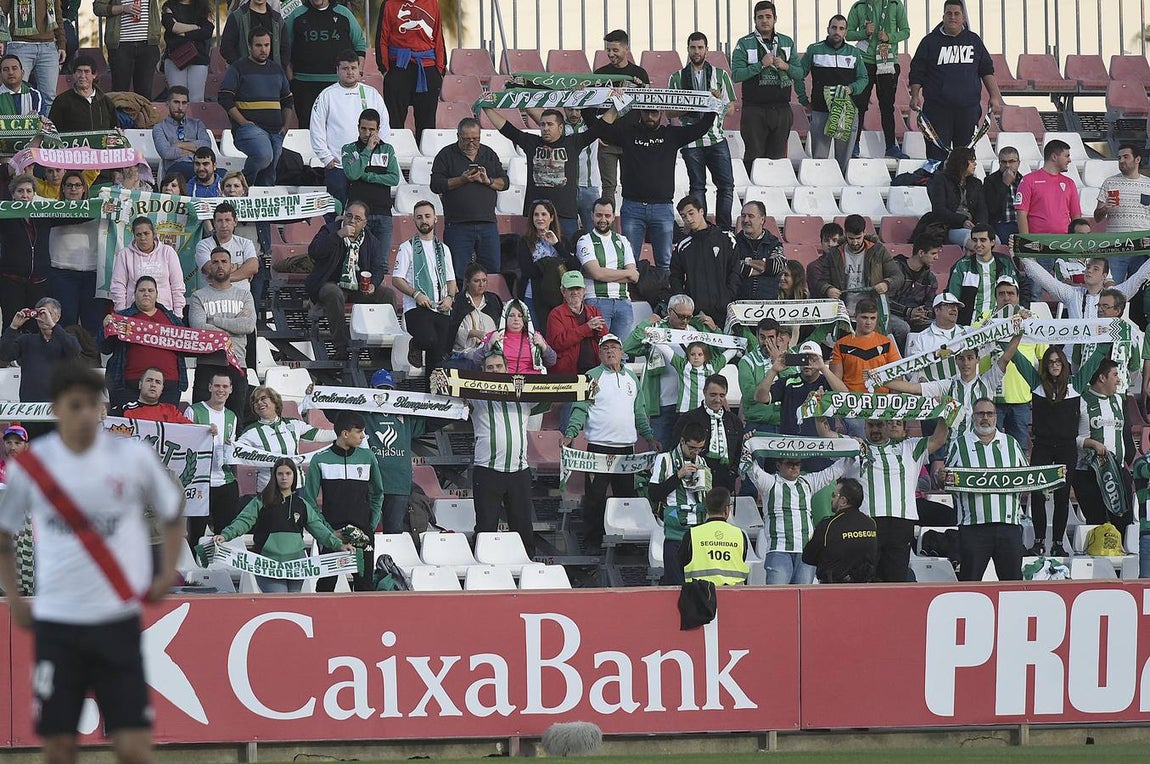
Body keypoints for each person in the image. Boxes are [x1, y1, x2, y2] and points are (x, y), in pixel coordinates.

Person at [0, 362, 183, 764]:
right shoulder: (32, 466)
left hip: (115, 618)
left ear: (103, 409)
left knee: (134, 745)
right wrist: (14, 597)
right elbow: (5, 533)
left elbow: (173, 508)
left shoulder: (131, 457)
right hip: (58, 621)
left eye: (91, 405)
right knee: (58, 746)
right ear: (58, 408)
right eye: (74, 404)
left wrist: (166, 571)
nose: (84, 413)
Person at [585, 101, 717, 274]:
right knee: (629, 261)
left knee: (665, 262)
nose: (650, 116)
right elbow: (598, 128)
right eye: (646, 112)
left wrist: (712, 105)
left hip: (662, 208)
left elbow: (701, 128)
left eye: (654, 112)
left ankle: (666, 298)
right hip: (633, 207)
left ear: (661, 112)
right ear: (640, 111)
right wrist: (586, 102)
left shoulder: (671, 134)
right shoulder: (627, 132)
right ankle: (631, 298)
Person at [563, 333, 655, 549]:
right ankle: (592, 542)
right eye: (605, 348)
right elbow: (580, 408)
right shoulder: (591, 377)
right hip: (599, 449)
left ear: (622, 353)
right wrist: (571, 432)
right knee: (595, 498)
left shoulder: (632, 378)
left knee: (627, 498)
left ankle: (627, 542)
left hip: (626, 450)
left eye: (614, 347)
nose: (610, 351)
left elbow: (639, 411)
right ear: (599, 352)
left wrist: (649, 436)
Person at [831, 415, 948, 581]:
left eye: (879, 425)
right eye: (871, 425)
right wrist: (820, 411)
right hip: (866, 521)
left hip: (901, 523)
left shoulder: (909, 447)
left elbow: (939, 439)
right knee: (864, 577)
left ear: (888, 425)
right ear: (864, 426)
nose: (875, 430)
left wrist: (944, 415)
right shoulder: (855, 447)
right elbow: (826, 433)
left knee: (896, 578)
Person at [216, 458, 349, 593]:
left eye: (288, 473)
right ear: (274, 476)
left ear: (294, 476)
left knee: (293, 605)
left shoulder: (302, 504)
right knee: (279, 599)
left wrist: (339, 545)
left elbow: (319, 530)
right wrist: (225, 535)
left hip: (297, 564)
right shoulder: (262, 501)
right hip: (268, 563)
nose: (284, 477)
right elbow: (243, 521)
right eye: (280, 474)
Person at [741, 421, 849, 585]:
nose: (794, 467)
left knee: (805, 600)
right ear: (778, 465)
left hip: (806, 552)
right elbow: (750, 467)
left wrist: (854, 450)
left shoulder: (808, 482)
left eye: (797, 464)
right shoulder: (769, 483)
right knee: (778, 600)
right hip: (779, 550)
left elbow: (834, 471)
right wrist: (747, 444)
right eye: (789, 464)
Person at [884, 324, 1023, 440]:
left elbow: (1005, 358)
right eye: (961, 359)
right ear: (956, 361)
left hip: (984, 444)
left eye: (970, 358)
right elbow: (913, 388)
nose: (966, 363)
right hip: (955, 447)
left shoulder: (988, 381)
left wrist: (1019, 332)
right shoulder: (948, 385)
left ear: (977, 359)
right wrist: (881, 380)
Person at [944, 397, 1029, 581]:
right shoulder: (960, 444)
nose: (985, 418)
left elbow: (1026, 478)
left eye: (989, 414)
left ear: (996, 417)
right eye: (980, 413)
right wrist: (941, 477)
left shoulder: (1011, 443)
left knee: (1013, 583)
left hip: (1009, 526)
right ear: (973, 417)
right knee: (970, 582)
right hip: (973, 527)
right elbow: (947, 481)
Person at [482, 103, 595, 241]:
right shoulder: (532, 142)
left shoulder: (573, 142)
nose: (545, 128)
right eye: (542, 125)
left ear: (560, 127)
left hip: (565, 215)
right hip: (537, 215)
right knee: (535, 256)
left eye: (549, 124)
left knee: (569, 256)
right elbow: (507, 129)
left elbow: (600, 129)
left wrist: (616, 104)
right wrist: (486, 107)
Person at [908, 0, 1003, 162]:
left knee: (965, 159)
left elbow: (987, 70)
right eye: (949, 13)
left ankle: (964, 188)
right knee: (937, 159)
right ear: (943, 16)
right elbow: (917, 72)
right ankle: (938, 186)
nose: (953, 17)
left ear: (963, 18)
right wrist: (915, 95)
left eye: (957, 13)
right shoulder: (929, 42)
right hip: (937, 111)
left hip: (968, 110)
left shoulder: (974, 40)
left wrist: (995, 96)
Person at [299, 410, 382, 591]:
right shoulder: (320, 460)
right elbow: (310, 501)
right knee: (326, 587)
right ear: (345, 433)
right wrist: (327, 532)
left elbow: (378, 493)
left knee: (365, 586)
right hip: (332, 535)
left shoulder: (368, 457)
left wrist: (370, 524)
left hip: (363, 535)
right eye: (359, 432)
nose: (363, 436)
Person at [622, 294, 719, 447]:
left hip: (692, 405)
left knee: (691, 453)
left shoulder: (697, 331)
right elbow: (628, 348)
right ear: (669, 311)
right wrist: (645, 324)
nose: (685, 321)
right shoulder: (655, 329)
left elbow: (717, 356)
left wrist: (715, 330)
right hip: (663, 403)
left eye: (688, 317)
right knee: (660, 452)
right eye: (681, 316)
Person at [305, 200, 392, 367]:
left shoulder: (370, 239)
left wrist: (373, 283)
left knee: (388, 295)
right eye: (349, 216)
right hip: (329, 282)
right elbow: (314, 251)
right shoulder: (330, 230)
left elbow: (379, 267)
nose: (352, 221)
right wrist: (338, 236)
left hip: (357, 286)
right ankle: (341, 348)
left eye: (357, 218)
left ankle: (382, 350)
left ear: (365, 223)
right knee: (333, 293)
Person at [469, 352, 540, 556]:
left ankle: (527, 570)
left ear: (507, 369)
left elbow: (552, 395)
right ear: (483, 371)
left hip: (519, 470)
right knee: (485, 527)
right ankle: (483, 572)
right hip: (488, 470)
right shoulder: (475, 395)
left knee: (523, 527)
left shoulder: (522, 395)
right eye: (490, 368)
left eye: (499, 366)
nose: (495, 371)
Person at [1011, 346, 1079, 556]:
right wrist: (1008, 333)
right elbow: (1017, 357)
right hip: (1043, 446)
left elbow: (1096, 358)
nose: (1055, 365)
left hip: (1067, 448)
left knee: (1061, 496)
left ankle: (1058, 543)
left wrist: (1109, 331)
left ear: (1065, 364)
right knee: (1038, 495)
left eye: (1058, 361)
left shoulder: (1076, 384)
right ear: (1045, 365)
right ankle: (1039, 541)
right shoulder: (1036, 384)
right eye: (1050, 362)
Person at [668, 32, 737, 230]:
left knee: (726, 186)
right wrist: (690, 106)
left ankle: (724, 230)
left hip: (716, 138)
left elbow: (730, 109)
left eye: (700, 47)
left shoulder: (721, 75)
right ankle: (702, 229)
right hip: (690, 141)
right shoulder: (677, 77)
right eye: (693, 47)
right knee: (697, 187)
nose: (696, 51)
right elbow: (669, 113)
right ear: (688, 49)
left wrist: (714, 103)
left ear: (707, 49)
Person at [429, 117, 508, 277]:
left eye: (475, 139)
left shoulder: (488, 153)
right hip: (457, 225)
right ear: (458, 136)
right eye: (466, 139)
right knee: (457, 274)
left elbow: (505, 182)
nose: (471, 143)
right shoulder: (446, 154)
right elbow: (436, 185)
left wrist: (488, 181)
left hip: (488, 224)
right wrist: (461, 180)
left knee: (492, 272)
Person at [358, 369, 431, 534]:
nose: (385, 393)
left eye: (388, 389)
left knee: (394, 532)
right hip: (369, 483)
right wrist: (317, 395)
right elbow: (338, 416)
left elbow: (431, 421)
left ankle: (392, 560)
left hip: (399, 483)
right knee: (365, 530)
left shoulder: (406, 414)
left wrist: (457, 407)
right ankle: (368, 560)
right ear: (371, 389)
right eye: (379, 388)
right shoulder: (362, 413)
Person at [218, 28, 293, 187]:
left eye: (267, 45)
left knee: (269, 175)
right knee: (264, 156)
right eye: (258, 45)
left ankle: (258, 202)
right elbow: (225, 98)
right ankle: (240, 185)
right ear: (250, 46)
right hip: (249, 129)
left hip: (276, 130)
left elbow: (287, 100)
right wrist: (243, 121)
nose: (263, 49)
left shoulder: (277, 69)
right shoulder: (238, 68)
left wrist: (286, 126)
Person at [312, 52, 389, 205]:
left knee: (364, 211)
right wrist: (326, 157)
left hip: (367, 165)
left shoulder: (371, 93)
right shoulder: (327, 95)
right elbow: (316, 128)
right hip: (338, 166)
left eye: (353, 68)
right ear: (337, 70)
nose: (350, 72)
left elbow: (384, 126)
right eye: (345, 68)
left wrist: (375, 154)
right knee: (337, 210)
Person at [795, 14, 869, 172]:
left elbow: (864, 78)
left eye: (841, 28)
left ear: (845, 32)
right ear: (828, 29)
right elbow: (798, 75)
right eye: (834, 27)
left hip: (846, 111)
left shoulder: (854, 52)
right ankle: (821, 191)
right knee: (819, 160)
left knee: (844, 162)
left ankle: (843, 190)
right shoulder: (814, 50)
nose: (837, 31)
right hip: (821, 110)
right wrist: (803, 100)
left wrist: (851, 88)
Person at [188, 247, 255, 419]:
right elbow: (198, 328)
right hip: (207, 363)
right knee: (200, 418)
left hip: (237, 363)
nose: (219, 265)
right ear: (209, 267)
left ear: (232, 266)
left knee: (236, 418)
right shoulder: (198, 296)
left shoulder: (244, 295)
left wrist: (215, 321)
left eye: (224, 261)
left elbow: (247, 326)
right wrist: (233, 326)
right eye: (215, 262)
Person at [731, 1, 800, 168]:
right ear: (754, 20)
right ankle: (753, 194)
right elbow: (736, 75)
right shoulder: (744, 43)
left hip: (782, 109)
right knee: (754, 160)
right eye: (760, 17)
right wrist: (760, 65)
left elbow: (800, 73)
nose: (764, 21)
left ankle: (774, 194)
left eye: (768, 17)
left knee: (776, 162)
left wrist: (786, 66)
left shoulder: (787, 42)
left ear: (775, 19)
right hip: (754, 110)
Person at [391, 199, 457, 373]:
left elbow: (451, 280)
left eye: (427, 216)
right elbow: (396, 279)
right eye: (419, 217)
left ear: (435, 218)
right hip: (417, 307)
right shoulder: (407, 247)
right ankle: (415, 343)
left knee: (437, 361)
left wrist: (450, 298)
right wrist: (416, 294)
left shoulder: (444, 249)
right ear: (414, 220)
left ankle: (432, 396)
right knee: (428, 340)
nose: (424, 220)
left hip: (442, 307)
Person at [103, 276, 187, 408]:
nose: (146, 293)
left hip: (169, 385)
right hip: (128, 384)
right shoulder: (121, 318)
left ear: (157, 294)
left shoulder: (172, 319)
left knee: (167, 426)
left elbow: (187, 345)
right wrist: (106, 328)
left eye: (150, 290)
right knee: (127, 426)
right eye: (142, 290)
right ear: (134, 294)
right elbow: (104, 348)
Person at [237, 385, 335, 492]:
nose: (259, 403)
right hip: (268, 489)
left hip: (297, 487)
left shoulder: (294, 424)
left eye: (263, 398)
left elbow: (320, 435)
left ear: (275, 401)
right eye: (255, 401)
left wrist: (344, 433)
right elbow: (235, 452)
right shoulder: (250, 431)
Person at [284, 0, 366, 128]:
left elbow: (360, 44)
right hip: (304, 85)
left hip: (338, 84)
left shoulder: (344, 14)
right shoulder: (297, 15)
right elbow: (285, 47)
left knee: (340, 127)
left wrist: (358, 73)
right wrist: (291, 79)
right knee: (307, 129)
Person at [846, 0, 911, 159]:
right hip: (864, 62)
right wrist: (864, 33)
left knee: (887, 107)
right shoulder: (859, 6)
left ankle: (890, 146)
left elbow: (906, 31)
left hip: (887, 62)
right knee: (859, 106)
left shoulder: (895, 5)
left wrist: (890, 36)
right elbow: (847, 33)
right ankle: (853, 145)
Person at [649, 420, 711, 585]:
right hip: (675, 531)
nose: (695, 452)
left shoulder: (702, 462)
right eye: (692, 448)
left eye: (700, 449)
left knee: (696, 582)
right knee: (675, 583)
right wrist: (678, 476)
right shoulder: (664, 459)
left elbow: (707, 495)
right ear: (682, 441)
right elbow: (654, 494)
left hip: (698, 531)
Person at [593, 29, 650, 204]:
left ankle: (629, 228)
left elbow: (647, 107)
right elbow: (590, 109)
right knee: (608, 188)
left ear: (626, 49)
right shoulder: (600, 74)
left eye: (615, 50)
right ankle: (607, 229)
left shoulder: (639, 74)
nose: (611, 54)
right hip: (607, 143)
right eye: (608, 50)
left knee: (633, 185)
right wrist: (596, 134)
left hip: (632, 142)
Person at [808, 213, 902, 319]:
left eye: (858, 238)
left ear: (864, 233)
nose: (855, 242)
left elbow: (898, 276)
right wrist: (828, 289)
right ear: (845, 234)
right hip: (843, 313)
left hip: (872, 313)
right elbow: (821, 281)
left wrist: (886, 284)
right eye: (851, 238)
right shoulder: (834, 253)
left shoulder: (878, 251)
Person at [374, 0, 444, 141]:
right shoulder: (389, 3)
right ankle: (395, 157)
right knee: (394, 122)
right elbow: (382, 38)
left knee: (427, 124)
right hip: (399, 67)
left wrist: (439, 70)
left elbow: (438, 35)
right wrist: (385, 69)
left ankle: (426, 160)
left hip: (427, 67)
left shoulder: (432, 2)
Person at [1074, 359, 1130, 528]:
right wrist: (1090, 443)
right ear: (1101, 378)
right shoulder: (1081, 401)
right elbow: (1067, 437)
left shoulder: (1119, 401)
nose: (1118, 380)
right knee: (1097, 524)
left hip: (1117, 472)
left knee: (1123, 523)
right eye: (1115, 375)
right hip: (1088, 474)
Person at [45, 171, 103, 335]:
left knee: (92, 325)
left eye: (78, 185)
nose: (73, 189)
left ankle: (92, 360)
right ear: (62, 188)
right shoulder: (52, 208)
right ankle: (64, 360)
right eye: (69, 185)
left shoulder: (98, 208)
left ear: (84, 189)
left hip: (92, 274)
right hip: (62, 273)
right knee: (65, 323)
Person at [573, 197, 637, 340]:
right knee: (599, 351)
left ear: (613, 217)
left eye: (607, 215)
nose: (603, 219)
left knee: (622, 353)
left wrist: (602, 274)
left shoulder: (622, 240)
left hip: (623, 302)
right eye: (599, 215)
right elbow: (596, 272)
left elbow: (634, 276)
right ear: (592, 215)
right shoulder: (585, 240)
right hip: (596, 301)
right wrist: (625, 274)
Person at [670, 195, 742, 323]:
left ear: (701, 211)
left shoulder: (726, 238)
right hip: (696, 314)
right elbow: (675, 276)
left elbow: (735, 270)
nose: (688, 219)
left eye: (691, 213)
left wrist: (728, 297)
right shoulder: (683, 245)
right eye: (684, 216)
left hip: (724, 310)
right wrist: (686, 303)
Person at [341, 107, 399, 265]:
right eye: (363, 129)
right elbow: (352, 174)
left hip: (383, 214)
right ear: (358, 127)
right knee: (355, 263)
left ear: (378, 129)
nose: (367, 134)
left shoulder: (387, 149)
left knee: (381, 265)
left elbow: (394, 179)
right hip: (357, 216)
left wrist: (365, 175)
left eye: (371, 129)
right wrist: (367, 150)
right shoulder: (349, 149)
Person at [185, 372, 238, 539]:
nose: (220, 390)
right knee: (196, 535)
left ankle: (220, 565)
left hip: (225, 481)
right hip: (201, 483)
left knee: (224, 535)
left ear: (231, 389)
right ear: (209, 387)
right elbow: (185, 443)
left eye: (224, 386)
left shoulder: (231, 416)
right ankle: (195, 564)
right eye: (217, 386)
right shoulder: (193, 411)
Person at [0, 298, 80, 401]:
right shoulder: (27, 340)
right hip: (31, 406)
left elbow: (74, 351)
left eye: (48, 314)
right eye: (39, 314)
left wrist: (52, 325)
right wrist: (13, 327)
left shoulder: (65, 339)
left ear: (58, 317)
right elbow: (4, 354)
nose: (43, 317)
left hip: (60, 405)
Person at [673, 374, 741, 491]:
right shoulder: (689, 418)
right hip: (695, 482)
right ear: (704, 392)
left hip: (724, 482)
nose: (717, 399)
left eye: (722, 395)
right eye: (713, 395)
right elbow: (675, 448)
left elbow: (738, 452)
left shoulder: (734, 421)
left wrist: (733, 472)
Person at [802, 477, 878, 583]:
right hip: (864, 588)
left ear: (843, 501)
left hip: (834, 588)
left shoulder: (828, 525)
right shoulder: (871, 523)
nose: (832, 499)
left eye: (834, 495)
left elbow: (807, 557)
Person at [945, 223, 1022, 325]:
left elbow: (1019, 290)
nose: (978, 244)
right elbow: (952, 299)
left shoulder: (1005, 263)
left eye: (983, 240)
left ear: (992, 242)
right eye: (975, 240)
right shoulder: (962, 266)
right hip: (970, 328)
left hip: (1000, 325)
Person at [1095, 144, 1150, 282]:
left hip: (1142, 247)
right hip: (1116, 245)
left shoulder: (1149, 184)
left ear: (1137, 159)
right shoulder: (1110, 182)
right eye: (1119, 157)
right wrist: (1105, 208)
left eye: (1126, 157)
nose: (1121, 161)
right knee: (1113, 287)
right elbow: (1097, 218)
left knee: (1140, 289)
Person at [110, 216, 186, 315]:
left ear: (154, 234)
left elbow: (177, 286)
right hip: (134, 312)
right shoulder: (124, 255)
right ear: (134, 236)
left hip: (165, 311)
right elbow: (118, 286)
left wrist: (178, 314)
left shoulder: (168, 252)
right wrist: (121, 313)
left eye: (146, 233)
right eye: (138, 234)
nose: (143, 238)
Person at [518, 199, 577, 325]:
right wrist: (553, 265)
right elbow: (527, 270)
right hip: (532, 296)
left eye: (544, 214)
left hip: (558, 297)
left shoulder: (562, 241)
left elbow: (574, 267)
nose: (540, 218)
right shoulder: (524, 242)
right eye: (536, 214)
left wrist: (556, 245)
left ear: (551, 218)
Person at [0, 175, 50, 323]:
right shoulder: (5, 216)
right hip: (11, 282)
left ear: (34, 194)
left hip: (38, 283)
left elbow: (75, 214)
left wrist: (99, 207)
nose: (25, 195)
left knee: (37, 327)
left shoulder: (43, 214)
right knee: (12, 324)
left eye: (29, 191)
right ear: (13, 195)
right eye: (20, 191)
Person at [830, 298, 901, 399]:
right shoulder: (841, 344)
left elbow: (897, 375)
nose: (868, 322)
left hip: (881, 401)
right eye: (864, 317)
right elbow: (835, 380)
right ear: (855, 317)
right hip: (851, 401)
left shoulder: (886, 343)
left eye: (873, 318)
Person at [679, 486, 751, 586]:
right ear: (726, 509)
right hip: (734, 595)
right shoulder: (739, 534)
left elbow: (682, 563)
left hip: (700, 595)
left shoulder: (692, 534)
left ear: (707, 509)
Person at [4, 0, 65, 110]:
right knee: (16, 93)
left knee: (49, 97)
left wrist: (62, 43)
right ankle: (16, 126)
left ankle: (47, 127)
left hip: (48, 46)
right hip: (20, 45)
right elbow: (1, 11)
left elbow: (57, 14)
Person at [1017, 139, 1081, 243]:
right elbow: (1021, 214)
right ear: (1054, 157)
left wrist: (1076, 242)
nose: (1069, 160)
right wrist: (1026, 243)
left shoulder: (1069, 183)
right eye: (1066, 156)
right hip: (1038, 242)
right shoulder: (1029, 180)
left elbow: (1076, 216)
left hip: (1063, 242)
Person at [546, 270, 607, 376]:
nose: (575, 292)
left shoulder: (594, 311)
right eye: (570, 289)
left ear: (584, 291)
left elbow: (605, 340)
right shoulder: (556, 314)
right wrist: (587, 328)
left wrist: (599, 331)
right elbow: (556, 343)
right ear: (563, 291)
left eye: (578, 288)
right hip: (567, 373)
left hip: (594, 370)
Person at [471, 300, 555, 375]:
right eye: (512, 315)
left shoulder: (535, 336)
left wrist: (543, 346)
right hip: (504, 383)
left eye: (520, 315)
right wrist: (489, 344)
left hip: (531, 383)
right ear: (505, 317)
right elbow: (476, 360)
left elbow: (552, 361)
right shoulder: (494, 336)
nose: (516, 319)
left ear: (525, 318)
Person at [928, 146, 989, 245]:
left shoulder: (976, 183)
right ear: (961, 162)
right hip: (949, 227)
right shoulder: (940, 180)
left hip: (973, 226)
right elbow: (939, 210)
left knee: (995, 240)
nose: (975, 164)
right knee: (973, 241)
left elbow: (982, 209)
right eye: (972, 161)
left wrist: (980, 225)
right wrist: (962, 221)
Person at [193, 203, 258, 294]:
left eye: (228, 220)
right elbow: (212, 269)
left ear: (235, 222)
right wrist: (240, 267)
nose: (224, 225)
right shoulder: (203, 245)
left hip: (241, 298)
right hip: (213, 298)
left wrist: (225, 278)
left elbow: (253, 267)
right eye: (219, 221)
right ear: (214, 223)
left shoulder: (246, 243)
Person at [448, 263, 502, 367]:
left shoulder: (493, 300)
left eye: (484, 280)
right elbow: (451, 331)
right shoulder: (459, 301)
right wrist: (472, 333)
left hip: (492, 349)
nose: (481, 284)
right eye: (476, 281)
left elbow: (501, 327)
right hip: (464, 350)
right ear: (467, 282)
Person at [152, 86, 211, 180]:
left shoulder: (197, 124)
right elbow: (166, 153)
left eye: (184, 103)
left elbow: (207, 146)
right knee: (190, 170)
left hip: (198, 165)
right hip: (175, 169)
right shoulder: (159, 128)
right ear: (167, 104)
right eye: (176, 102)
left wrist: (179, 145)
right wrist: (195, 148)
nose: (180, 107)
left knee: (223, 173)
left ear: (188, 105)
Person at [889, 233, 942, 337]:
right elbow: (885, 301)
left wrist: (922, 314)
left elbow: (929, 304)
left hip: (914, 318)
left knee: (937, 328)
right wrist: (908, 312)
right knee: (903, 328)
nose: (937, 257)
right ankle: (900, 354)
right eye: (933, 253)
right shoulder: (895, 269)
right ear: (921, 252)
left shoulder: (930, 279)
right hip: (892, 315)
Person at [46, 55, 117, 132]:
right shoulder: (62, 101)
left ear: (94, 75)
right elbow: (53, 132)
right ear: (73, 74)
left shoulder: (106, 102)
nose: (82, 76)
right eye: (79, 71)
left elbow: (115, 130)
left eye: (87, 72)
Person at [739, 318, 786, 433]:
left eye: (771, 338)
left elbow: (796, 385)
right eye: (762, 337)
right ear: (757, 336)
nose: (766, 342)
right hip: (758, 425)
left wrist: (778, 361)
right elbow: (749, 395)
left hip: (785, 424)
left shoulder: (788, 358)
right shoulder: (746, 361)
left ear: (778, 337)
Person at [905, 292, 966, 381]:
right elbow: (912, 371)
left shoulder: (967, 332)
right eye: (949, 305)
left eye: (956, 307)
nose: (954, 309)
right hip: (934, 390)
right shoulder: (921, 338)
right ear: (937, 310)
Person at [734, 200, 786, 302]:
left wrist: (747, 262)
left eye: (750, 216)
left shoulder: (773, 242)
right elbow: (731, 267)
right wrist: (764, 267)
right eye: (743, 216)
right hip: (739, 303)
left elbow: (778, 266)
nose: (745, 220)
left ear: (762, 219)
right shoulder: (733, 242)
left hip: (769, 304)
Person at [161, 0, 212, 101]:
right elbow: (172, 27)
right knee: (177, 98)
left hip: (199, 58)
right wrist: (196, 27)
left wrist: (183, 32)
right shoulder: (169, 6)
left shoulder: (202, 7)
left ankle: (195, 117)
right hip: (176, 57)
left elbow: (207, 31)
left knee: (196, 99)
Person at [220, 0, 288, 66]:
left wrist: (280, 71)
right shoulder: (237, 17)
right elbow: (226, 48)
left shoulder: (278, 20)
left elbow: (285, 49)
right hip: (245, 74)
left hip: (272, 74)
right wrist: (241, 68)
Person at [117, 366, 193, 422]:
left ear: (162, 388)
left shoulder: (172, 411)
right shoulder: (123, 410)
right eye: (149, 380)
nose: (153, 384)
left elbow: (193, 430)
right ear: (140, 384)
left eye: (158, 382)